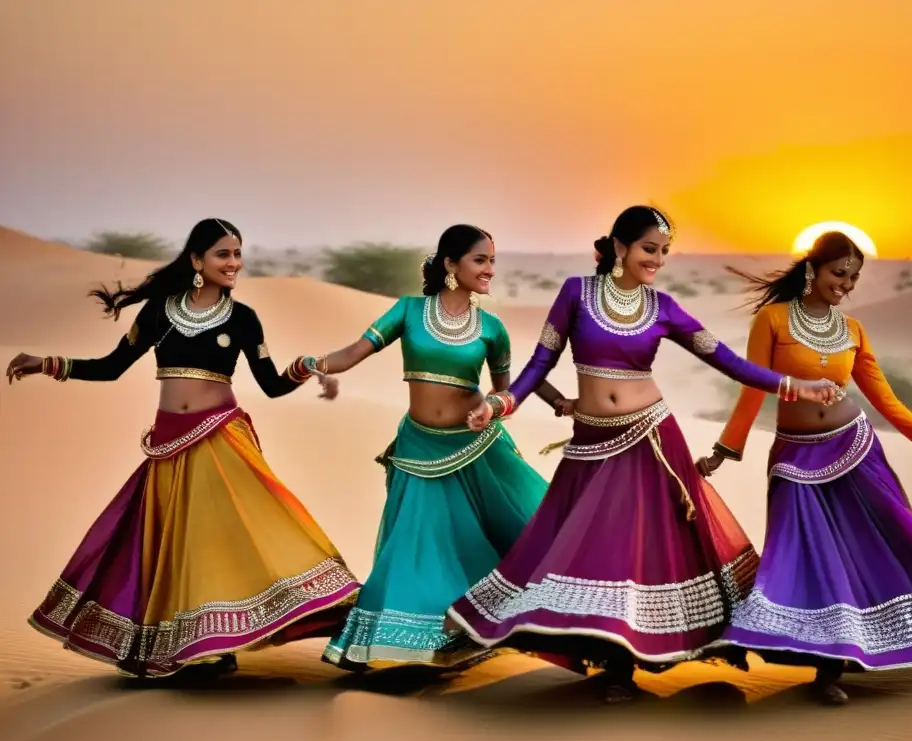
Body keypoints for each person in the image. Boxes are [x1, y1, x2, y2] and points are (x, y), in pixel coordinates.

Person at [445, 205, 839, 704]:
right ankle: (611, 663)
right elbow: (540, 361)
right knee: (594, 557)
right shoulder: (576, 294)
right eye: (650, 249)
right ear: (619, 247)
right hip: (592, 445)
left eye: (664, 252)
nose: (657, 259)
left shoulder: (664, 306)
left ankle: (621, 670)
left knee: (637, 557)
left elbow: (731, 364)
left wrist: (796, 386)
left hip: (650, 439)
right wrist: (501, 403)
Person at [7, 218, 360, 679]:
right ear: (197, 261)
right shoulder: (158, 312)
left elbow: (271, 385)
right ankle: (197, 646)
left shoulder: (243, 319)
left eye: (237, 253)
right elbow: (112, 366)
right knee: (173, 546)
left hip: (221, 439)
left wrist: (310, 367)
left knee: (220, 538)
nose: (234, 263)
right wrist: (48, 363)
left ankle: (234, 640)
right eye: (223, 254)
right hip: (169, 444)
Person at [696, 230, 912, 705]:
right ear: (813, 268)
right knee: (807, 556)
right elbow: (752, 390)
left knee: (886, 541)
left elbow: (882, 396)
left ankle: (852, 665)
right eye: (838, 273)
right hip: (794, 459)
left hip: (855, 450)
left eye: (854, 277)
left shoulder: (853, 330)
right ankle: (822, 659)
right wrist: (724, 451)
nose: (846, 284)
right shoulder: (772, 319)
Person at [316, 224, 564, 670]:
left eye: (492, 261)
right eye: (480, 260)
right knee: (416, 548)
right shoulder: (409, 311)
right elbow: (355, 352)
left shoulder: (492, 328)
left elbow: (506, 393)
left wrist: (490, 406)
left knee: (504, 540)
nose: (489, 269)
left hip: (476, 451)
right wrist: (311, 365)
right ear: (451, 264)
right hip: (418, 449)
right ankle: (401, 641)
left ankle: (464, 633)